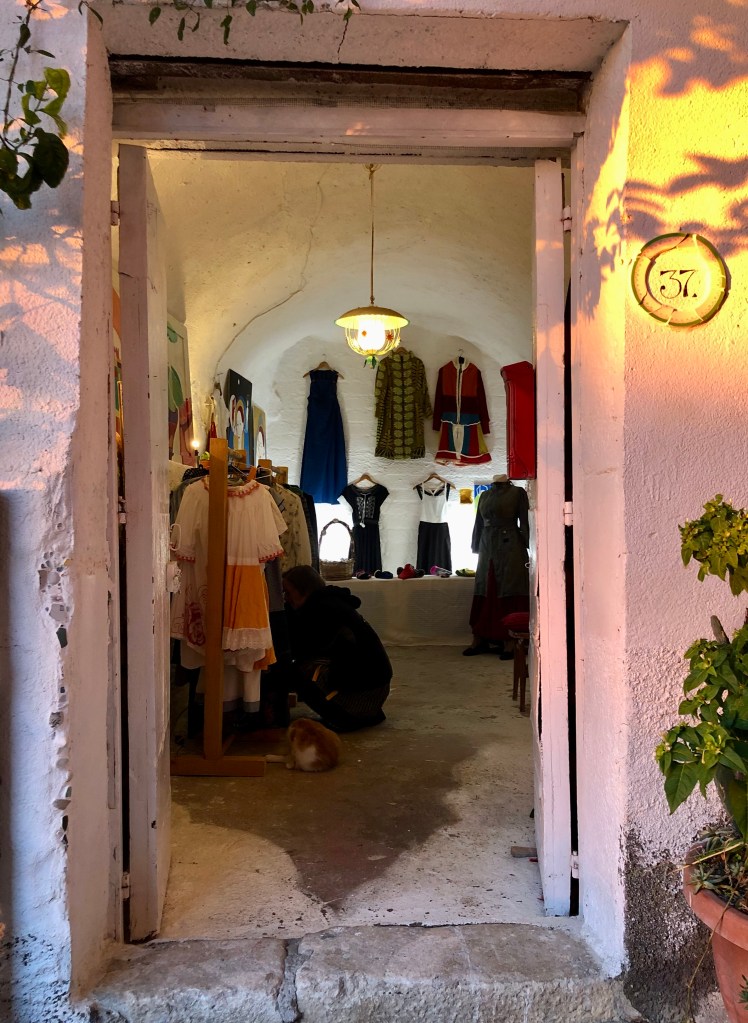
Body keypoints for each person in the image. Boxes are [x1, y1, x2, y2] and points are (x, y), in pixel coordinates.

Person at [279, 565, 392, 731]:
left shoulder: (321, 610)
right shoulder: (331, 602)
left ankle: (343, 717)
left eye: (288, 592)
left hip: (365, 695)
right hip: (376, 691)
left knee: (293, 671)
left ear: (304, 590)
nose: (285, 598)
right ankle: (354, 713)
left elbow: (301, 650)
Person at [463, 474, 530, 657]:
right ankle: (480, 638)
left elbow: (524, 520)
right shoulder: (484, 495)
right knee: (484, 586)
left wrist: (528, 544)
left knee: (509, 585)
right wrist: (476, 546)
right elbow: (478, 523)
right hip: (487, 546)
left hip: (511, 545)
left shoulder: (517, 492)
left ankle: (510, 641)